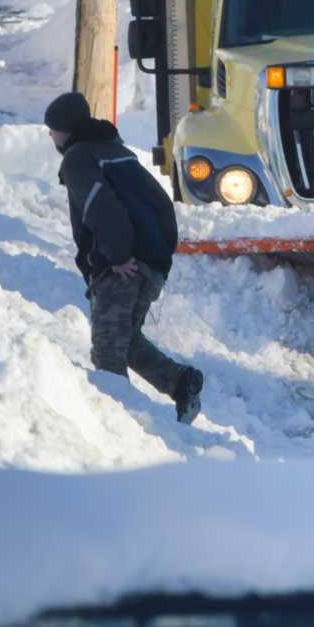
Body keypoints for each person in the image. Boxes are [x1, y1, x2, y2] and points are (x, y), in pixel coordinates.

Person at [46, 91, 204, 424]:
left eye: (53, 129)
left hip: (123, 267)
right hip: (149, 262)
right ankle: (179, 382)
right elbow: (161, 204)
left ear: (67, 129)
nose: (50, 136)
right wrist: (157, 257)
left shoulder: (78, 157)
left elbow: (101, 208)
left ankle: (119, 422)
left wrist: (117, 255)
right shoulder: (117, 152)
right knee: (125, 340)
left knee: (107, 349)